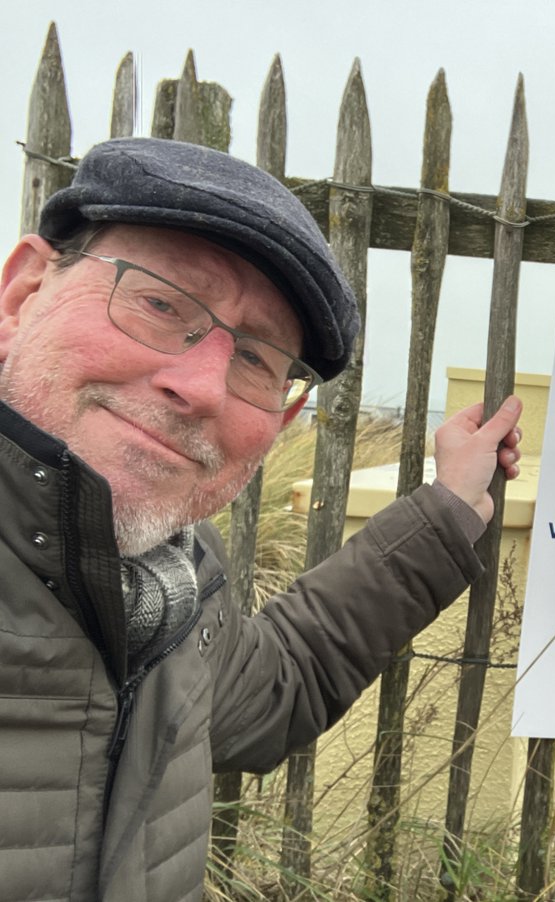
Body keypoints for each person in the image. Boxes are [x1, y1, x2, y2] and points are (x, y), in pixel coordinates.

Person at [0, 137, 523, 901]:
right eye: (158, 302)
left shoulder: (169, 587)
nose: (204, 386)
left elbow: (281, 684)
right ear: (22, 294)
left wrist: (449, 507)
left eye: (254, 359)